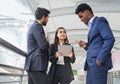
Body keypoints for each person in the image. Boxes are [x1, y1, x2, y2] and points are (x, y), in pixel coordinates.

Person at [75, 3, 115, 84]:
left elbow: (110, 39)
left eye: (81, 16)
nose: (81, 20)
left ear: (87, 12)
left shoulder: (100, 21)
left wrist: (100, 59)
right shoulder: (92, 26)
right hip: (91, 65)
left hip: (97, 63)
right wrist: (85, 45)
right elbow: (96, 44)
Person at [24, 7, 50, 84]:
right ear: (43, 17)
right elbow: (43, 46)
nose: (48, 20)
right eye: (47, 17)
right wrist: (47, 42)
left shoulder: (33, 26)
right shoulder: (37, 27)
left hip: (33, 65)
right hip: (37, 65)